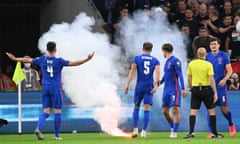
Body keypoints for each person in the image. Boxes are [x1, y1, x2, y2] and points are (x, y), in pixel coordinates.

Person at [6, 41, 94, 140]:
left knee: (46, 111)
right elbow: (74, 63)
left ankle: (38, 128)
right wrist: (87, 59)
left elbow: (27, 60)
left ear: (46, 49)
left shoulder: (42, 60)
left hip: (46, 88)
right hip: (55, 88)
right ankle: (56, 135)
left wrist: (14, 59)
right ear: (55, 50)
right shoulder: (59, 61)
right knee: (57, 111)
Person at [184, 47, 224, 139]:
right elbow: (211, 79)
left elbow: (189, 78)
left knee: (193, 112)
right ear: (206, 54)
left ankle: (191, 132)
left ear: (197, 54)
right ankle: (214, 133)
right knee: (212, 112)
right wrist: (215, 92)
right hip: (206, 89)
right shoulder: (208, 64)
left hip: (196, 89)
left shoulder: (192, 64)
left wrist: (191, 88)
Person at [124, 42, 160, 138]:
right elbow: (158, 74)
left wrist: (127, 84)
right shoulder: (155, 60)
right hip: (149, 87)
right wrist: (156, 86)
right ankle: (144, 131)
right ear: (151, 50)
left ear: (142, 48)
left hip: (139, 86)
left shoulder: (137, 58)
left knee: (136, 106)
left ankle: (135, 129)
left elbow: (132, 72)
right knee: (147, 108)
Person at [206, 37, 236, 138]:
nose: (213, 46)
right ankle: (211, 131)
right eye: (211, 45)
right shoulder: (207, 56)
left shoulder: (224, 56)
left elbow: (230, 70)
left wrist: (224, 80)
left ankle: (231, 124)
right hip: (210, 87)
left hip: (221, 87)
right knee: (210, 109)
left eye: (215, 44)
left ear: (218, 45)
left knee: (224, 110)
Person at [160, 43, 187, 138]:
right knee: (164, 111)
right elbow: (166, 74)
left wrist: (183, 88)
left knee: (175, 109)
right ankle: (172, 127)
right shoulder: (167, 61)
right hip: (166, 89)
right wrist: (159, 82)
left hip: (174, 89)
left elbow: (180, 75)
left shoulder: (176, 61)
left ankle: (174, 131)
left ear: (164, 51)